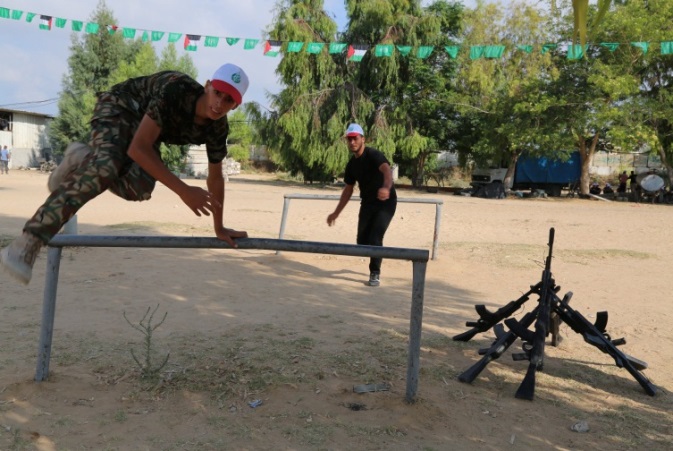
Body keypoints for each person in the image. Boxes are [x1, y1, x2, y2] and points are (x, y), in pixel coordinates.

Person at [1, 63, 250, 284]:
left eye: (229, 100)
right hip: (120, 106)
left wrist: (219, 227)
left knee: (139, 189)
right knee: (105, 167)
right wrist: (183, 190)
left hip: (147, 127)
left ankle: (81, 159)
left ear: (236, 104)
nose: (219, 103)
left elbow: (215, 176)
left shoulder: (218, 127)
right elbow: (138, 148)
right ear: (207, 86)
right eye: (217, 93)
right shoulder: (176, 90)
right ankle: (27, 242)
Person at [326, 123, 397, 287]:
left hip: (386, 203)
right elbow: (348, 190)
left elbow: (387, 171)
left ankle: (375, 273)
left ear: (362, 139)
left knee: (375, 237)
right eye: (349, 139)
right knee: (362, 242)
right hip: (367, 204)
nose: (352, 142)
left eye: (355, 139)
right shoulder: (351, 165)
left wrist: (386, 187)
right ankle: (373, 258)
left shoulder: (374, 155)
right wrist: (336, 213)